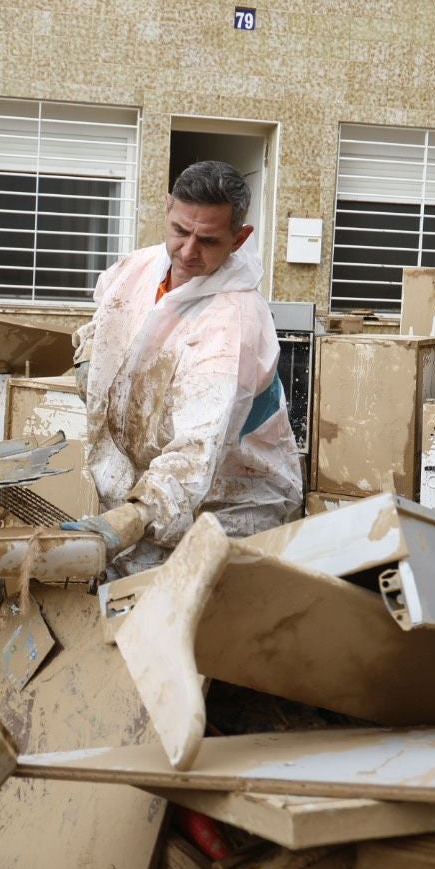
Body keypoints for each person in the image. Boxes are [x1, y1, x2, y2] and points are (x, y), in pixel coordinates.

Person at [67, 161, 303, 575]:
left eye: (208, 240)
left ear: (239, 238)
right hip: (149, 482)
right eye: (180, 231)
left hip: (230, 503)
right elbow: (106, 310)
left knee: (169, 609)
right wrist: (88, 352)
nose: (189, 251)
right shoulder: (139, 268)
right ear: (168, 208)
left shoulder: (234, 324)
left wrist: (133, 517)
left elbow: (196, 449)